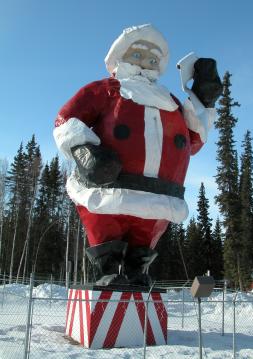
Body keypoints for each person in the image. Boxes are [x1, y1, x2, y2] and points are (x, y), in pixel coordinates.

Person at [53, 24, 220, 286]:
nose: (145, 63)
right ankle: (108, 269)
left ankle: (137, 271)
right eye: (137, 54)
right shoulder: (106, 90)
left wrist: (203, 100)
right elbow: (67, 120)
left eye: (153, 58)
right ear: (119, 56)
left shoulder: (171, 101)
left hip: (160, 194)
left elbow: (193, 141)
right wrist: (84, 150)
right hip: (110, 184)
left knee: (145, 232)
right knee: (107, 225)